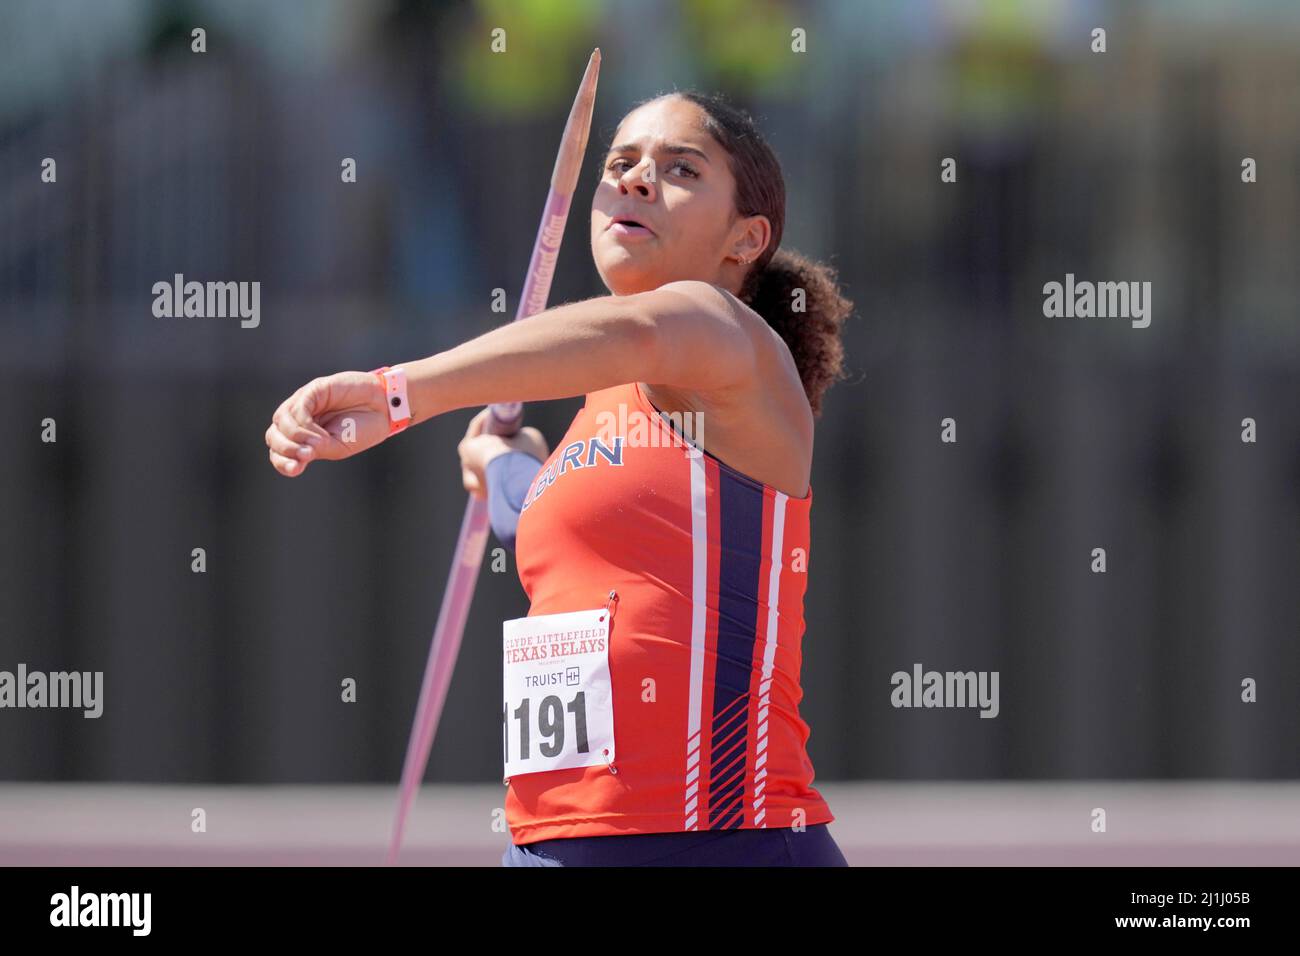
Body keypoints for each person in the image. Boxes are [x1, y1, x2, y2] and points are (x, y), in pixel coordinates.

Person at [264, 91, 853, 866]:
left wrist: (398, 394)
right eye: (621, 164)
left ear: (746, 239)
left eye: (680, 169)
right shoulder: (600, 406)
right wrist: (506, 467)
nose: (637, 179)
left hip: (718, 839)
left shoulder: (728, 342)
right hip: (552, 842)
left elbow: (641, 332)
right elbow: (550, 536)